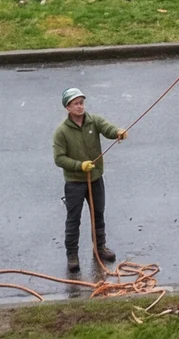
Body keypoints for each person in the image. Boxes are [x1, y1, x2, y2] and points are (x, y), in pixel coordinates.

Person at [53, 86, 126, 267]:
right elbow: (59, 159)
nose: (80, 106)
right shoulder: (61, 132)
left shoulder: (94, 121)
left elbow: (107, 128)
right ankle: (72, 255)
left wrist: (117, 132)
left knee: (98, 214)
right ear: (68, 107)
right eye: (75, 104)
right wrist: (80, 166)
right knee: (73, 219)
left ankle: (100, 248)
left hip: (95, 179)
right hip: (74, 183)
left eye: (81, 103)